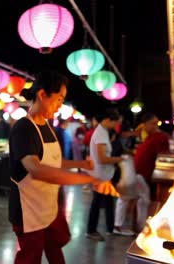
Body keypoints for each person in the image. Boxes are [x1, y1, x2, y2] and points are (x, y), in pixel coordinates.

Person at [9, 71, 99, 264]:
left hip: (48, 205)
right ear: (42, 95)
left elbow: (52, 162)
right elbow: (36, 169)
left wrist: (79, 164)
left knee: (54, 247)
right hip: (28, 209)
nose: (60, 105)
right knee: (30, 257)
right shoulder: (23, 128)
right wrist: (89, 179)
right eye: (59, 99)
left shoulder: (47, 126)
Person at [86, 108, 123, 241]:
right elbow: (102, 158)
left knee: (107, 202)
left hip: (104, 174)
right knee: (97, 203)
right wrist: (120, 159)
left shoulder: (104, 132)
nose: (115, 126)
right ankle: (91, 230)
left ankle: (110, 228)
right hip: (100, 175)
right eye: (114, 123)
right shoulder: (101, 134)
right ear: (107, 120)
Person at [134, 113, 170, 202]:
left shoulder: (160, 137)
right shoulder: (149, 137)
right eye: (152, 123)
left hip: (149, 178)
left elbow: (162, 158)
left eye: (156, 123)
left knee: (148, 202)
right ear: (145, 124)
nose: (155, 126)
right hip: (141, 176)